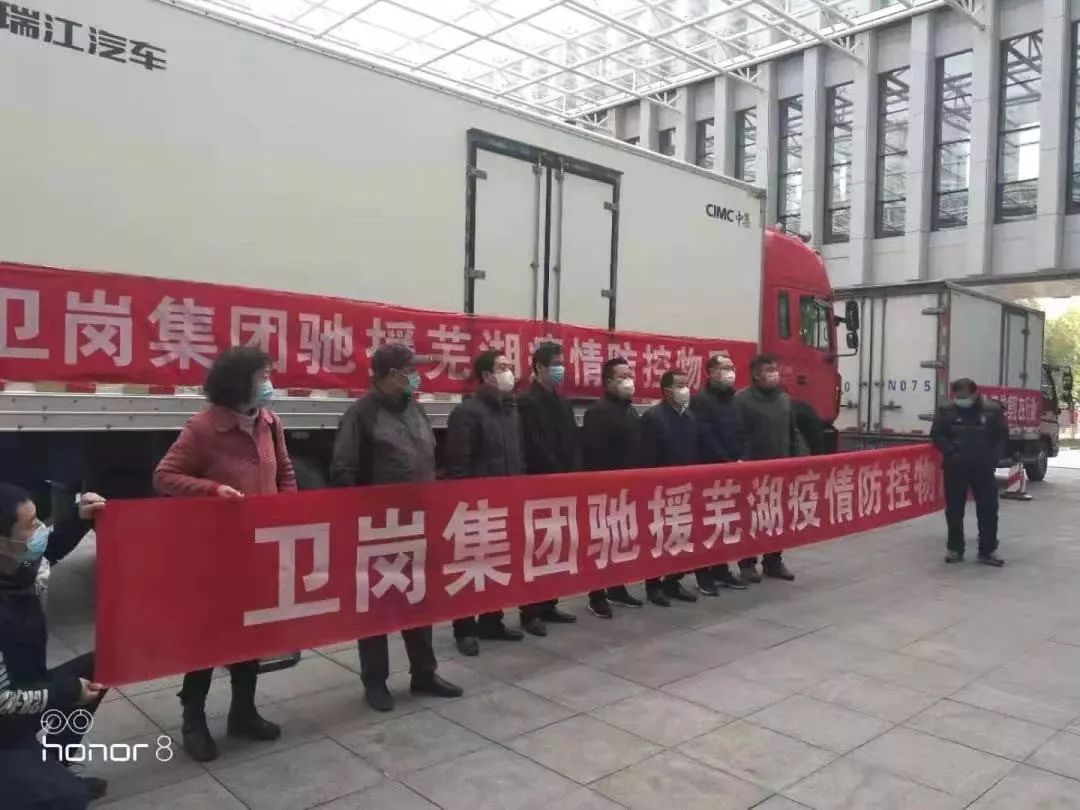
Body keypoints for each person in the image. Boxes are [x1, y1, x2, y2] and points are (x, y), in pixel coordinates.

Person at [153, 347, 292, 762]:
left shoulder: (271, 422)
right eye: (262, 376)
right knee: (208, 636)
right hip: (216, 552)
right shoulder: (203, 427)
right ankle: (193, 718)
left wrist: (291, 511)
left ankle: (243, 712)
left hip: (260, 546)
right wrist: (212, 490)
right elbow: (165, 476)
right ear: (239, 382)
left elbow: (284, 472)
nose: (269, 383)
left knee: (251, 632)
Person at [329, 344, 463, 711]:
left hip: (419, 523)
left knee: (419, 600)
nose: (417, 377)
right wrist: (359, 519)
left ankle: (424, 672)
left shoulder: (415, 408)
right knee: (377, 606)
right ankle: (375, 681)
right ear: (391, 374)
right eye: (411, 370)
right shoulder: (361, 415)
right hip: (379, 528)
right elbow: (343, 470)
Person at [0, 484, 109, 809]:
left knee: (105, 663)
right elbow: (4, 700)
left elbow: (47, 551)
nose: (39, 529)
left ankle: (54, 767)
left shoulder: (17, 567)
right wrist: (68, 691)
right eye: (30, 524)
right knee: (68, 799)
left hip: (25, 692)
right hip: (5, 719)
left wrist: (80, 518)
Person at [446, 350, 527, 656]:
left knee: (497, 563)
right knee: (470, 567)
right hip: (476, 504)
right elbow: (458, 463)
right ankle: (464, 629)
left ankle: (492, 620)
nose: (509, 372)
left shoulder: (511, 410)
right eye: (501, 367)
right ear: (486, 376)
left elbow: (519, 454)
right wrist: (464, 502)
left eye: (509, 366)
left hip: (507, 499)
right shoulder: (467, 412)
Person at [516, 342, 579, 636]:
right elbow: (533, 443)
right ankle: (530, 612)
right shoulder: (526, 401)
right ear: (539, 367)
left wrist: (573, 471)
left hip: (563, 482)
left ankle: (549, 602)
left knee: (555, 544)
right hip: (539, 481)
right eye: (555, 364)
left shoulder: (562, 401)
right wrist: (554, 470)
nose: (560, 369)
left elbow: (571, 438)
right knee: (534, 547)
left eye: (563, 363)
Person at [640, 369, 716, 606]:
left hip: (685, 489)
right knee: (657, 539)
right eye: (679, 385)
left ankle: (673, 581)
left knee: (680, 537)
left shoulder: (690, 417)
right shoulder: (654, 417)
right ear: (666, 391)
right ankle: (653, 585)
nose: (685, 390)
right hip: (660, 489)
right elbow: (647, 458)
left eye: (686, 384)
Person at [582, 358, 646, 619]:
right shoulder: (598, 411)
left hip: (628, 487)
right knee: (601, 544)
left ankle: (617, 588)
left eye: (630, 375)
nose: (628, 380)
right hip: (605, 488)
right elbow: (594, 453)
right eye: (622, 376)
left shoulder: (630, 410)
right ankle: (596, 595)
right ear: (608, 382)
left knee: (621, 540)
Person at [735, 354, 804, 583]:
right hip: (753, 471)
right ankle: (747, 563)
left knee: (778, 517)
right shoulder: (742, 400)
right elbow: (737, 435)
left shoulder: (784, 398)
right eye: (769, 370)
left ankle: (773, 560)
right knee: (751, 518)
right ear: (756, 375)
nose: (774, 373)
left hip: (781, 469)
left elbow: (793, 431)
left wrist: (799, 458)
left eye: (775, 368)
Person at [930, 378, 1008, 566]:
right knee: (954, 511)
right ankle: (955, 549)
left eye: (964, 396)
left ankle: (987, 550)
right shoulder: (946, 410)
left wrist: (992, 459)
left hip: (983, 468)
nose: (961, 400)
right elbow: (937, 434)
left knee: (988, 509)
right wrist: (950, 452)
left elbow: (1002, 437)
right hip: (955, 468)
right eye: (957, 396)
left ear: (975, 393)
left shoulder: (992, 410)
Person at [690, 353, 748, 596]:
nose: (730, 372)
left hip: (733, 471)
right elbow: (705, 436)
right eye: (725, 368)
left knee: (725, 523)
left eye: (731, 367)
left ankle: (721, 568)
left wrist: (741, 458)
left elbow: (742, 431)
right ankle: (703, 573)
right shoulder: (701, 400)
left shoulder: (734, 399)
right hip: (711, 470)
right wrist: (725, 462)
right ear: (712, 372)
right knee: (706, 524)